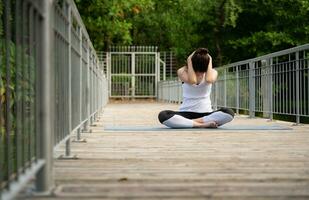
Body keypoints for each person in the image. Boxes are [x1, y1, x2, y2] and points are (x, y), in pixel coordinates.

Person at [158, 48, 234, 128]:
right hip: (186, 113)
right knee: (163, 115)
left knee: (229, 112)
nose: (200, 73)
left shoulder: (213, 73)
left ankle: (189, 123)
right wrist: (189, 61)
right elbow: (192, 81)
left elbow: (209, 79)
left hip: (206, 114)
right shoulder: (182, 71)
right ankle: (201, 125)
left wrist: (210, 60)